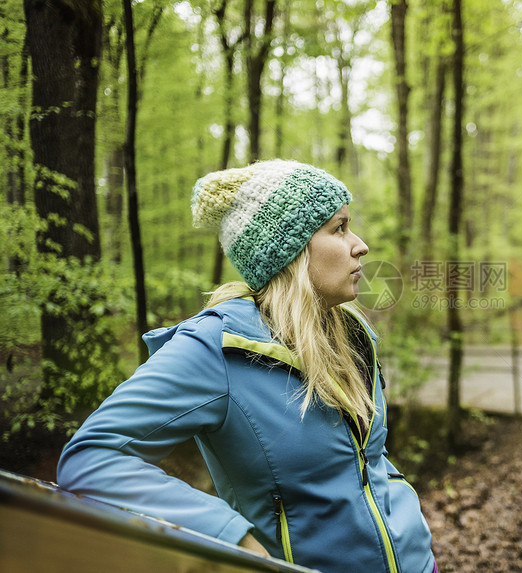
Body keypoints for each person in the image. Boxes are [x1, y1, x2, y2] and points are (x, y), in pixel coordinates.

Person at [57, 159, 436, 573]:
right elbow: (90, 457)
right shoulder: (215, 348)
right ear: (289, 251)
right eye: (338, 228)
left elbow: (367, 461)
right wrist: (231, 538)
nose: (359, 244)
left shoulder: (352, 331)